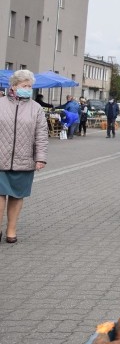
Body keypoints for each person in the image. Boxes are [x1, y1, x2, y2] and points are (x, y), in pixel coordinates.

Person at [0, 70, 48, 244]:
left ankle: (11, 229)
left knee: (16, 196)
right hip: (1, 159)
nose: (28, 89)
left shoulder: (36, 108)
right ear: (13, 86)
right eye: (24, 85)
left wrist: (40, 157)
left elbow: (41, 134)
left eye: (30, 86)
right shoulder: (1, 104)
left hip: (24, 159)